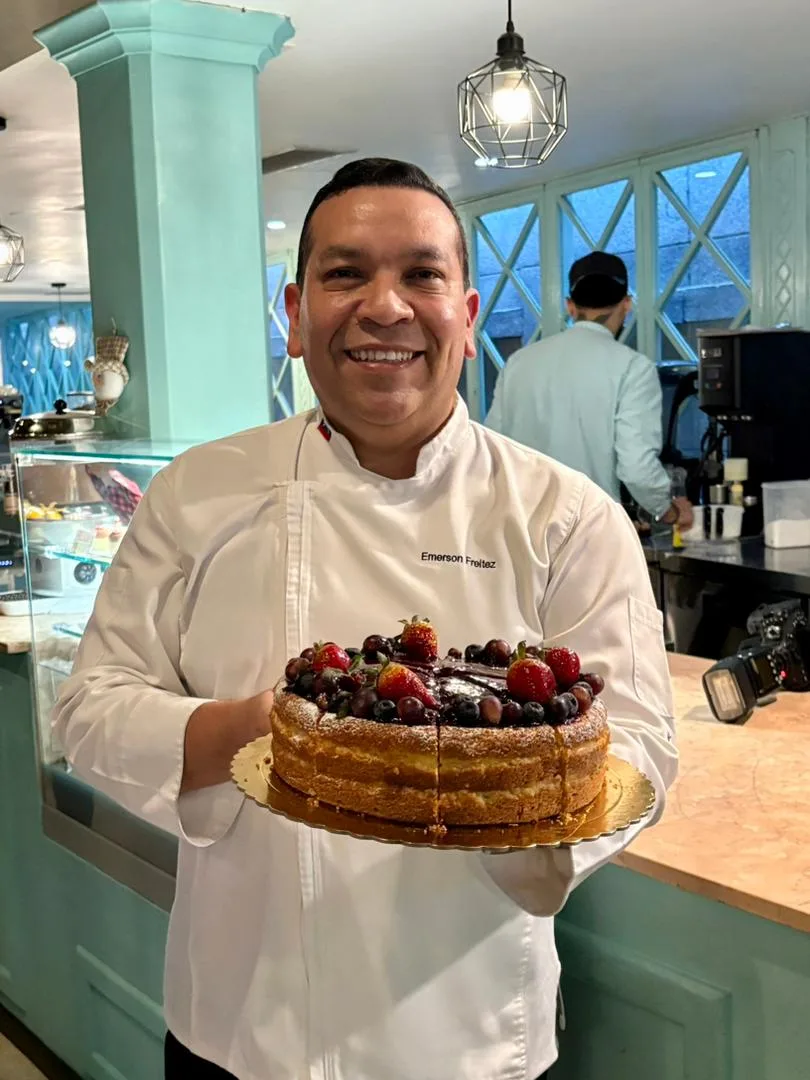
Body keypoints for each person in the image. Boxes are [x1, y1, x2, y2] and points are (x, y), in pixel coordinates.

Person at [54, 159, 678, 1080]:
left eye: (422, 274)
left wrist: (485, 791)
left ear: (466, 320)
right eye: (345, 274)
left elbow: (639, 750)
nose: (385, 307)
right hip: (235, 1027)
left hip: (469, 1038)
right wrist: (277, 734)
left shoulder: (567, 516)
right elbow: (89, 709)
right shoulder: (198, 492)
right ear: (295, 319)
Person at [485, 251, 694, 530]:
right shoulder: (633, 368)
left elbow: (492, 449)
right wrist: (669, 511)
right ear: (627, 304)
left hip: (519, 528)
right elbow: (636, 466)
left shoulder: (519, 363)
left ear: (571, 307)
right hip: (588, 532)